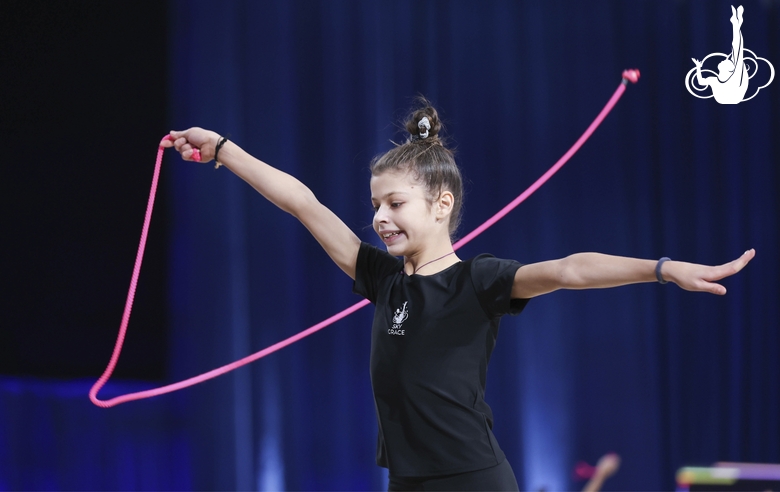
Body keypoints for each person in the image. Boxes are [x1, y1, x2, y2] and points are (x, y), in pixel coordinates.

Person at [163, 99, 754, 491]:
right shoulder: (381, 279)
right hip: (407, 479)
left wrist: (662, 267)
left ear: (441, 204)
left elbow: (572, 269)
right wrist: (222, 149)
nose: (380, 217)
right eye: (375, 205)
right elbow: (303, 202)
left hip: (472, 478)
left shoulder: (479, 281)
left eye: (395, 204)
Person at [692, 5, 748, 104]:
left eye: (727, 61)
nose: (725, 59)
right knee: (736, 51)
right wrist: (698, 67)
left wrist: (736, 26)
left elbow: (738, 49)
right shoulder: (715, 80)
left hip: (733, 96)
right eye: (728, 60)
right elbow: (701, 82)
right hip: (728, 97)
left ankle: (736, 24)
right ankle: (736, 24)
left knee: (737, 51)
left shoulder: (733, 78)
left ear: (729, 69)